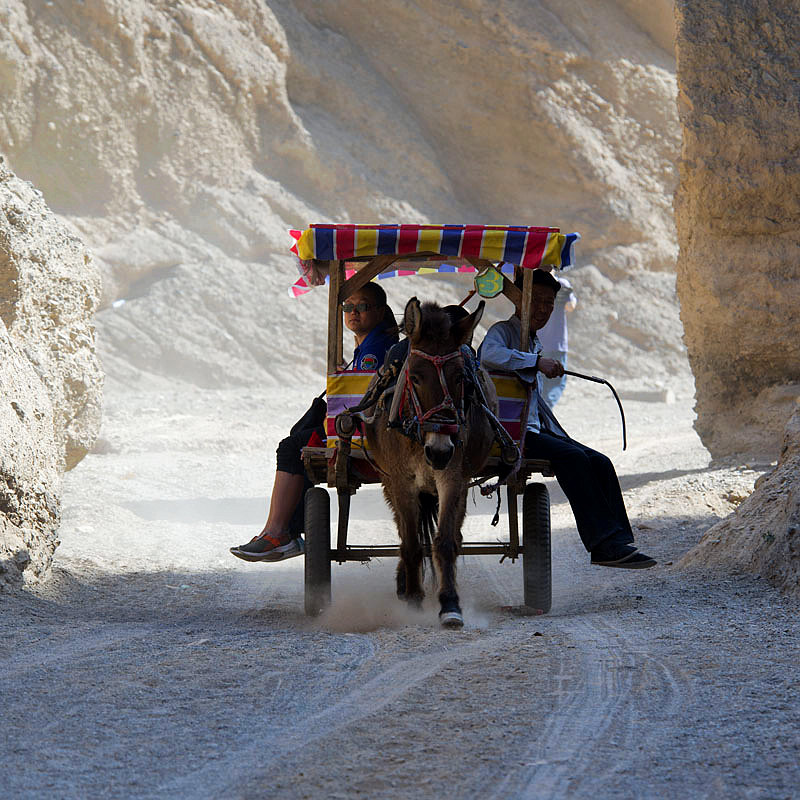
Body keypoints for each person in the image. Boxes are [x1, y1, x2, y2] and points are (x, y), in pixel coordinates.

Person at [478, 269, 655, 568]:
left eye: (550, 303)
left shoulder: (531, 340)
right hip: (509, 434)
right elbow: (488, 355)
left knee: (599, 461)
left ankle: (617, 541)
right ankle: (601, 545)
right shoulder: (504, 332)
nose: (545, 310)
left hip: (532, 428)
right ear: (520, 301)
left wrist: (537, 360)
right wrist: (536, 362)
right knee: (572, 458)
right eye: (539, 301)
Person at [230, 282, 398, 562]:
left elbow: (359, 396)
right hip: (368, 428)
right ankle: (280, 533)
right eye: (348, 307)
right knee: (299, 443)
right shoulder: (373, 343)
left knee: (291, 447)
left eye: (362, 306)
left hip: (365, 435)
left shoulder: (375, 348)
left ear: (381, 311)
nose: (353, 312)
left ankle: (277, 533)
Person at [537, 275, 577, 407]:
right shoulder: (562, 283)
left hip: (539, 344)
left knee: (540, 381)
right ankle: (546, 413)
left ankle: (539, 412)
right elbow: (571, 306)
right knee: (556, 382)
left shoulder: (535, 282)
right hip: (557, 343)